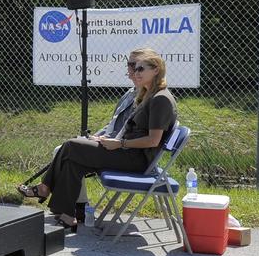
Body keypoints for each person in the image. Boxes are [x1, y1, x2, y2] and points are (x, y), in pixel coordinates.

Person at [26, 48, 178, 229]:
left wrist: (119, 143)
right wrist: (107, 139)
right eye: (133, 68)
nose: (134, 73)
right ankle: (67, 216)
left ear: (156, 69)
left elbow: (153, 140)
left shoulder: (161, 99)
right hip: (126, 151)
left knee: (71, 146)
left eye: (140, 69)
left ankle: (45, 187)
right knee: (73, 162)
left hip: (136, 159)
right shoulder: (146, 94)